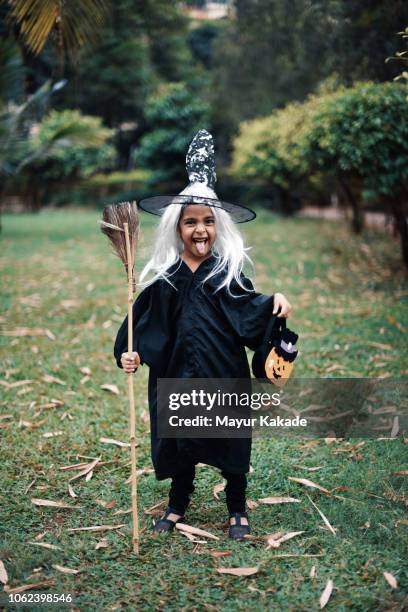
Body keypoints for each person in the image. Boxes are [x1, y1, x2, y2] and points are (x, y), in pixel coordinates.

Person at [114, 130, 292, 541]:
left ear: (219, 227)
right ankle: (178, 503)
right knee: (180, 441)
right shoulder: (164, 282)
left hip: (222, 374)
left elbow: (254, 311)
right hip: (176, 375)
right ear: (177, 229)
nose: (200, 229)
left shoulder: (228, 277)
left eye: (208, 221)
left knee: (229, 442)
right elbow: (137, 328)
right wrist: (130, 355)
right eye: (190, 221)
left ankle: (236, 507)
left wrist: (276, 300)